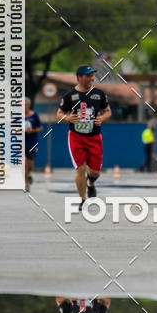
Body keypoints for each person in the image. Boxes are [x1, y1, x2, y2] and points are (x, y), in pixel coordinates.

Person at [57, 65, 111, 209]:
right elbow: (59, 114)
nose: (91, 78)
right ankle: (83, 199)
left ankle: (91, 183)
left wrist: (102, 119)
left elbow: (107, 111)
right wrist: (68, 119)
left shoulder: (99, 94)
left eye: (92, 75)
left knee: (95, 171)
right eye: (88, 76)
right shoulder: (69, 96)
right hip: (76, 136)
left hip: (94, 137)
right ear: (79, 77)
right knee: (80, 168)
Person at [24, 98, 43, 191]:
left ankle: (29, 174)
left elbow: (40, 128)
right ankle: (26, 183)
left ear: (29, 105)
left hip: (32, 142)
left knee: (30, 164)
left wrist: (33, 130)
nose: (23, 107)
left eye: (25, 105)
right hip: (20, 143)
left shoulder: (34, 115)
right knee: (24, 163)